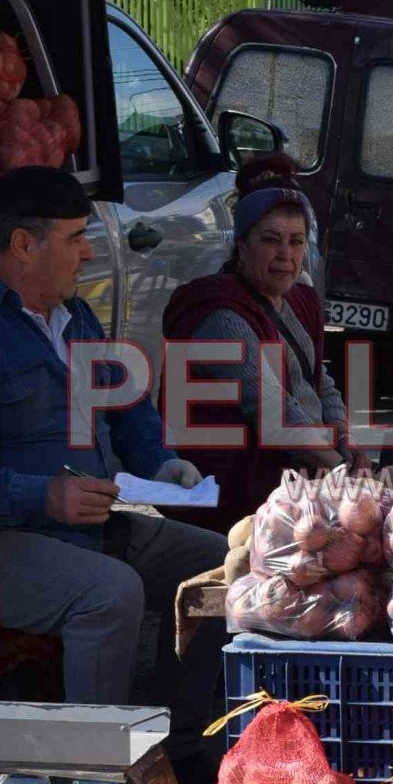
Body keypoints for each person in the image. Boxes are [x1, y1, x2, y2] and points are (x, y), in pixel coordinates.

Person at [0, 167, 227, 784]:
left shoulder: (73, 314)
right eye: (75, 238)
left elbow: (125, 408)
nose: (89, 251)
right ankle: (92, 778)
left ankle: (177, 749)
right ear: (24, 244)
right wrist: (43, 495)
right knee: (108, 593)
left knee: (219, 567)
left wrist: (160, 463)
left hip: (79, 525)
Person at [162, 154, 349, 523]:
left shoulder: (297, 296)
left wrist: (344, 437)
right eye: (271, 240)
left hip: (304, 476)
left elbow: (318, 380)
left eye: (296, 242)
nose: (286, 255)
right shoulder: (219, 315)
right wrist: (344, 474)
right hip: (241, 500)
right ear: (242, 244)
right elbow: (271, 411)